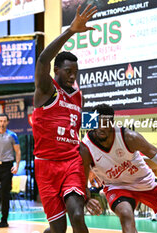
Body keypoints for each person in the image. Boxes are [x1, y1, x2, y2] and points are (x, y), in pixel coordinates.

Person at [80, 104, 157, 233]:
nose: (100, 128)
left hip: (147, 183)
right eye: (97, 123)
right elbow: (81, 178)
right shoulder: (86, 147)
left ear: (111, 123)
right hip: (117, 187)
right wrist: (86, 199)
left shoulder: (129, 137)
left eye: (104, 123)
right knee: (126, 216)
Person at [31, 4, 100, 233]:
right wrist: (71, 31)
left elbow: (79, 140)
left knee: (77, 215)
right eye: (68, 71)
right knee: (57, 229)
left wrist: (87, 179)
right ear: (57, 71)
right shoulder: (46, 90)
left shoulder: (78, 96)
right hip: (46, 166)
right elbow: (42, 60)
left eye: (76, 73)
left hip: (71, 162)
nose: (73, 76)